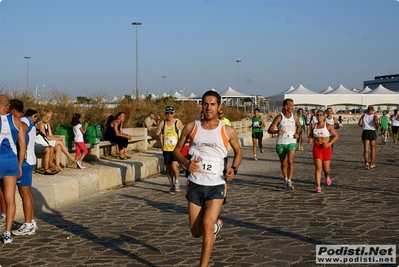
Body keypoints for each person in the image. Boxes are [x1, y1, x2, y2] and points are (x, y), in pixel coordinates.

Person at [173, 90, 243, 267]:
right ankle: (216, 226)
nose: (209, 107)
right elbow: (176, 150)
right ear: (201, 106)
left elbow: (238, 152)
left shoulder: (227, 130)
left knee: (206, 226)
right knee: (196, 232)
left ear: (219, 107)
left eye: (213, 104)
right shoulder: (191, 127)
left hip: (216, 185)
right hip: (195, 184)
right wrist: (186, 163)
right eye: (206, 103)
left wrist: (233, 169)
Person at [9, 104, 39, 235]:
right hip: (30, 159)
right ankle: (30, 221)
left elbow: (23, 141)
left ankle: (28, 224)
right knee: (27, 192)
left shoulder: (22, 122)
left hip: (25, 161)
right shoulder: (28, 120)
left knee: (24, 193)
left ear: (13, 110)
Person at [0, 95, 26, 244]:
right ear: (7, 106)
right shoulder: (16, 121)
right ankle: (7, 233)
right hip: (11, 162)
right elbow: (22, 145)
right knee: (10, 198)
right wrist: (19, 165)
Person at [268, 99, 301, 190]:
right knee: (284, 162)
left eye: (293, 105)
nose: (293, 107)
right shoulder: (279, 117)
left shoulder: (294, 117)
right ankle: (285, 179)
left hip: (291, 141)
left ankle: (290, 181)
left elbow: (299, 126)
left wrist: (297, 133)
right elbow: (270, 130)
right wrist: (278, 131)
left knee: (290, 160)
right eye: (291, 105)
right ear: (286, 107)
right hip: (281, 142)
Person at [308, 110, 339, 193]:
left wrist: (329, 144)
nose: (319, 116)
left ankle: (327, 176)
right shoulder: (313, 126)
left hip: (326, 148)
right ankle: (318, 186)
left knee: (326, 169)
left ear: (324, 116)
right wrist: (310, 139)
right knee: (318, 168)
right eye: (317, 115)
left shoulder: (328, 126)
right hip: (317, 148)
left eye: (321, 115)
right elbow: (311, 135)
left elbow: (336, 136)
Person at [155, 106, 184, 194]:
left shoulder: (177, 122)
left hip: (175, 149)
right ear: (165, 114)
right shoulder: (163, 123)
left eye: (171, 113)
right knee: (168, 168)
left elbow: (184, 131)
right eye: (167, 113)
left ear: (173, 114)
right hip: (166, 149)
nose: (169, 115)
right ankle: (171, 184)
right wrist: (159, 135)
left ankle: (177, 181)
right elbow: (157, 132)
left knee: (174, 167)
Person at [358, 105, 379, 170]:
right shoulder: (374, 116)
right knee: (373, 148)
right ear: (372, 110)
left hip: (365, 131)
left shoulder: (364, 116)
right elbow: (376, 122)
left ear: (367, 110)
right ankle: (372, 162)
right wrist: (377, 128)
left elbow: (359, 123)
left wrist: (364, 126)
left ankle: (366, 162)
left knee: (366, 149)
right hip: (372, 131)